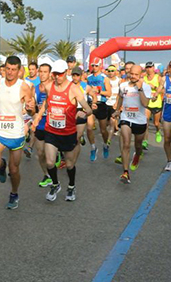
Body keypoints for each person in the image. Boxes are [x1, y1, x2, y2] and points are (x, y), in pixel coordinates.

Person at [0, 55, 35, 210]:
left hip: (16, 133)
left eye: (14, 70)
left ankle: (14, 193)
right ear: (4, 69)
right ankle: (1, 165)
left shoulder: (24, 87)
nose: (10, 72)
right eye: (8, 69)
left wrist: (31, 110)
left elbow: (32, 111)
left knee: (14, 169)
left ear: (19, 71)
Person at [34, 60, 93, 202]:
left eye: (60, 74)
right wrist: (38, 117)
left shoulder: (73, 89)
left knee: (70, 164)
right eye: (54, 74)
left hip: (68, 133)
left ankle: (71, 186)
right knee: (49, 162)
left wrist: (84, 114)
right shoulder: (49, 86)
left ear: (66, 72)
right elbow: (46, 103)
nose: (57, 77)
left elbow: (88, 108)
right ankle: (55, 184)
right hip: (51, 131)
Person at [112, 64, 152, 183]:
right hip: (126, 118)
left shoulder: (146, 87)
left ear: (141, 75)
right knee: (126, 144)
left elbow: (145, 104)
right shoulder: (123, 85)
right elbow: (120, 98)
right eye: (132, 74)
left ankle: (137, 155)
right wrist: (117, 110)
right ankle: (125, 172)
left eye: (136, 74)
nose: (133, 76)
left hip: (139, 121)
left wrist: (139, 89)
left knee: (138, 146)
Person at [86, 57, 112, 159]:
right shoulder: (88, 78)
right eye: (93, 65)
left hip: (101, 104)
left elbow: (109, 93)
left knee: (103, 130)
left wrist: (98, 91)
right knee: (89, 128)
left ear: (100, 66)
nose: (94, 67)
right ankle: (93, 148)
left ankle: (105, 145)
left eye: (96, 65)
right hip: (91, 104)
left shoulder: (104, 78)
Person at [32, 63, 53, 187]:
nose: (42, 74)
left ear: (50, 73)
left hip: (52, 125)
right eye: (41, 71)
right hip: (40, 124)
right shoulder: (34, 88)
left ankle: (53, 170)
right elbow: (32, 108)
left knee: (50, 154)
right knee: (40, 153)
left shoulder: (54, 87)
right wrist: (30, 109)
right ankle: (47, 175)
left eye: (45, 72)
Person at [142, 61, 163, 148]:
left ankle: (158, 131)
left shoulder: (158, 78)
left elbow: (163, 90)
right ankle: (145, 141)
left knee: (156, 123)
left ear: (154, 68)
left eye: (150, 67)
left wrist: (154, 87)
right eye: (147, 67)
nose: (149, 69)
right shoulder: (143, 78)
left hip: (156, 102)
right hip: (147, 103)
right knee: (145, 122)